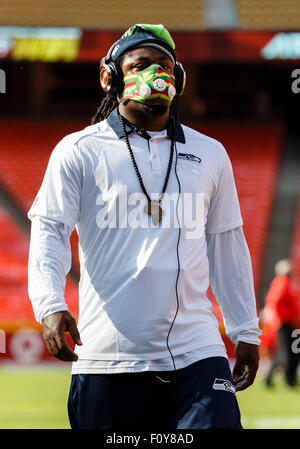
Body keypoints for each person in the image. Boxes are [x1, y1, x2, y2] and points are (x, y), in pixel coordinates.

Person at [27, 24, 261, 430]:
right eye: (140, 65)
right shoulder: (78, 151)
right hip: (107, 356)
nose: (156, 74)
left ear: (180, 80)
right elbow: (49, 229)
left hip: (198, 352)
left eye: (165, 66)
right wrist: (49, 304)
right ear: (111, 77)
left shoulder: (211, 153)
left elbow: (227, 243)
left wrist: (246, 329)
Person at [262, 259, 300, 387]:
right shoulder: (282, 284)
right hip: (285, 323)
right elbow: (276, 304)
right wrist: (279, 319)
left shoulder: (281, 283)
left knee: (283, 351)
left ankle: (270, 378)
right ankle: (289, 380)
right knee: (289, 351)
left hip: (286, 322)